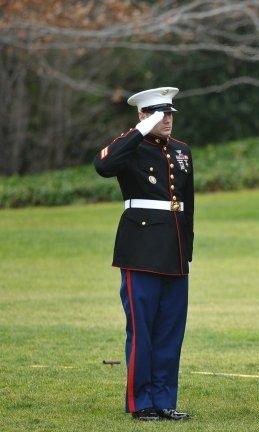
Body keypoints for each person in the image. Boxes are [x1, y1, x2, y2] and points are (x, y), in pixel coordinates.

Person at [94, 87, 193, 421]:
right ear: (143, 115)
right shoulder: (130, 147)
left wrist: (187, 251)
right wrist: (139, 131)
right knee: (142, 329)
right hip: (140, 249)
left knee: (170, 330)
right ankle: (141, 402)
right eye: (158, 114)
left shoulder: (181, 151)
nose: (167, 120)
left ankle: (165, 400)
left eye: (169, 114)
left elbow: (187, 205)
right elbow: (103, 166)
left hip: (175, 249)